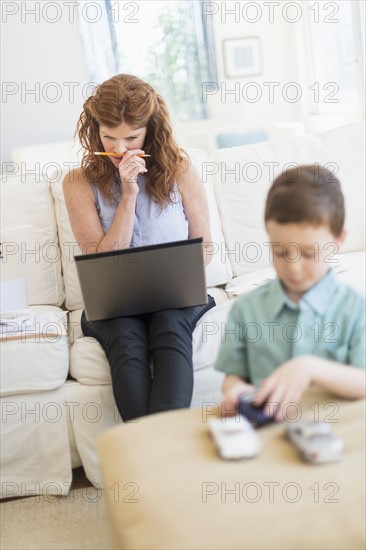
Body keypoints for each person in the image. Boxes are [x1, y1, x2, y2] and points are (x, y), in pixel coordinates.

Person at [63, 74, 215, 421]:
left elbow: (204, 247)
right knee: (127, 342)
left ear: (151, 130)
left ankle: (151, 458)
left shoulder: (180, 169)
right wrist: (128, 192)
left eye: (131, 137)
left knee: (170, 328)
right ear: (94, 131)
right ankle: (159, 456)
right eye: (108, 137)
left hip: (174, 296)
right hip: (114, 305)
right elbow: (98, 260)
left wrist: (181, 272)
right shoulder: (78, 182)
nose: (118, 149)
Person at [215, 165, 365, 419]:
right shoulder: (246, 309)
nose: (293, 268)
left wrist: (310, 368)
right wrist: (236, 391)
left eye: (309, 253)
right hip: (270, 434)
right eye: (281, 252)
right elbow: (233, 378)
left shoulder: (355, 308)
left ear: (338, 240)